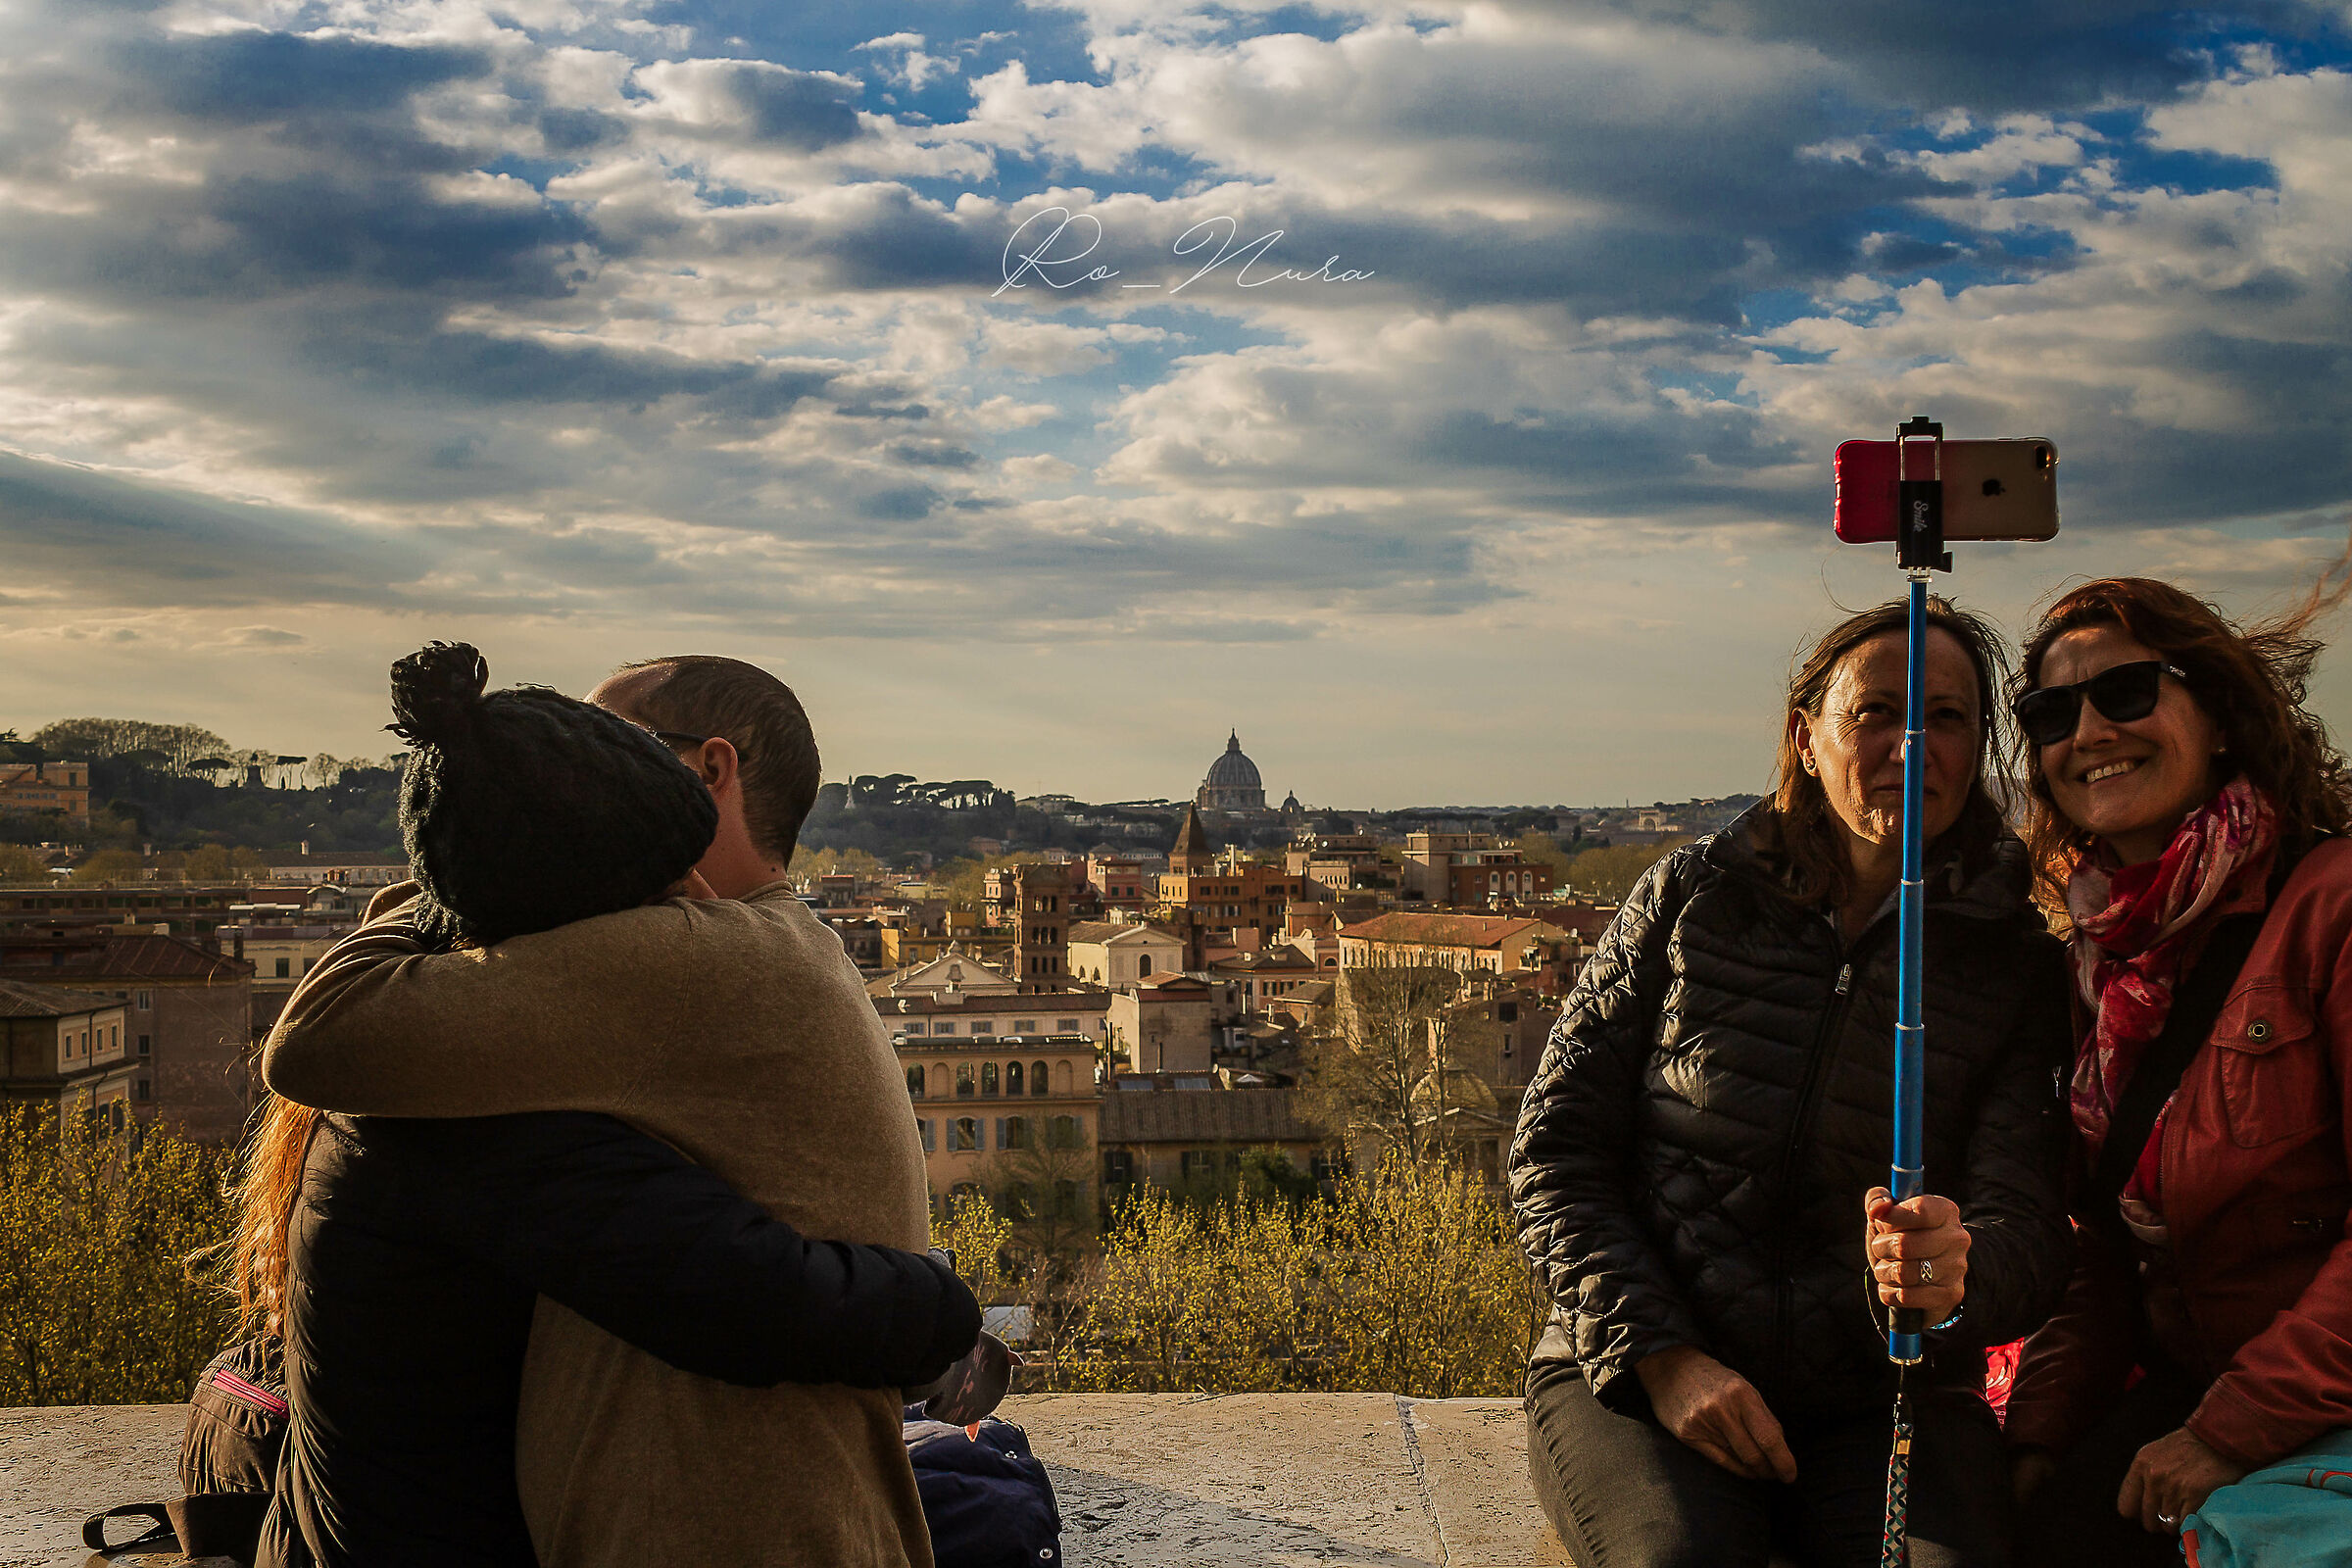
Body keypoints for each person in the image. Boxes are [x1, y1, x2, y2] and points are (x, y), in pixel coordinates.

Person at [238, 644, 980, 1567]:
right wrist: (934, 1310)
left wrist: (446, 874)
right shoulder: (779, 945)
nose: (574, 760)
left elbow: (318, 1034)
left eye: (606, 742)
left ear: (711, 770)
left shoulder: (693, 960)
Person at [1509, 598, 2075, 1568]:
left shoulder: (2015, 962)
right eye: (1877, 713)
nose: (1913, 743)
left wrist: (1955, 1269)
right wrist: (1668, 1360)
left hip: (1885, 1396)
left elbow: (2029, 1224)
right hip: (1642, 1368)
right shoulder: (1691, 897)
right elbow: (1555, 1152)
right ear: (1803, 738)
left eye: (1946, 718)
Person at [2002, 572, 2352, 1562]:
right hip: (2198, 1391)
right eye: (2052, 712)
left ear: (2222, 716)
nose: (2090, 732)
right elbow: (2102, 1252)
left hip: (2297, 1400)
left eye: (2126, 692)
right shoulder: (2099, 961)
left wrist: (2222, 1432)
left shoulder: (2331, 909)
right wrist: (2038, 1437)